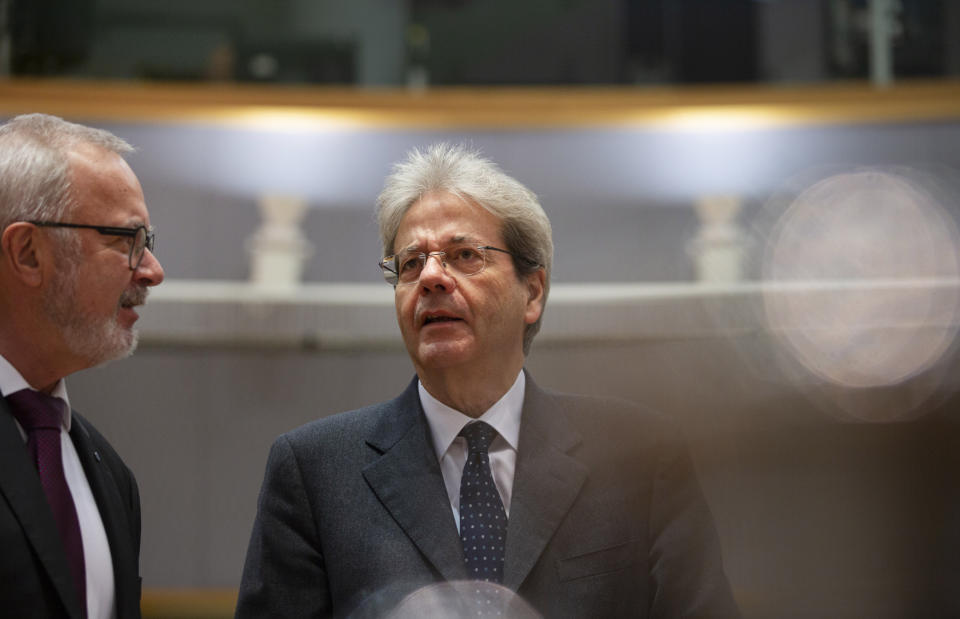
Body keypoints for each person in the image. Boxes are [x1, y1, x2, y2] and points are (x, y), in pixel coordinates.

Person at [237, 143, 739, 618]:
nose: (432, 277)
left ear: (533, 291)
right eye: (411, 263)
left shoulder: (640, 457)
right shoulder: (314, 472)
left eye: (464, 256)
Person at [0, 114, 165, 619]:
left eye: (149, 243)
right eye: (126, 240)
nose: (153, 272)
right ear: (28, 252)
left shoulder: (110, 476)